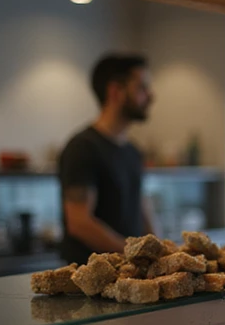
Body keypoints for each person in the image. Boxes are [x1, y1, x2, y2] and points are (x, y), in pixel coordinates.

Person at [58, 54, 158, 265]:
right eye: (142, 88)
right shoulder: (83, 147)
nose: (150, 96)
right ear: (116, 91)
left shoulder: (132, 151)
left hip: (125, 273)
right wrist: (134, 252)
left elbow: (141, 206)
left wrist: (159, 250)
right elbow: (79, 222)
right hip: (89, 281)